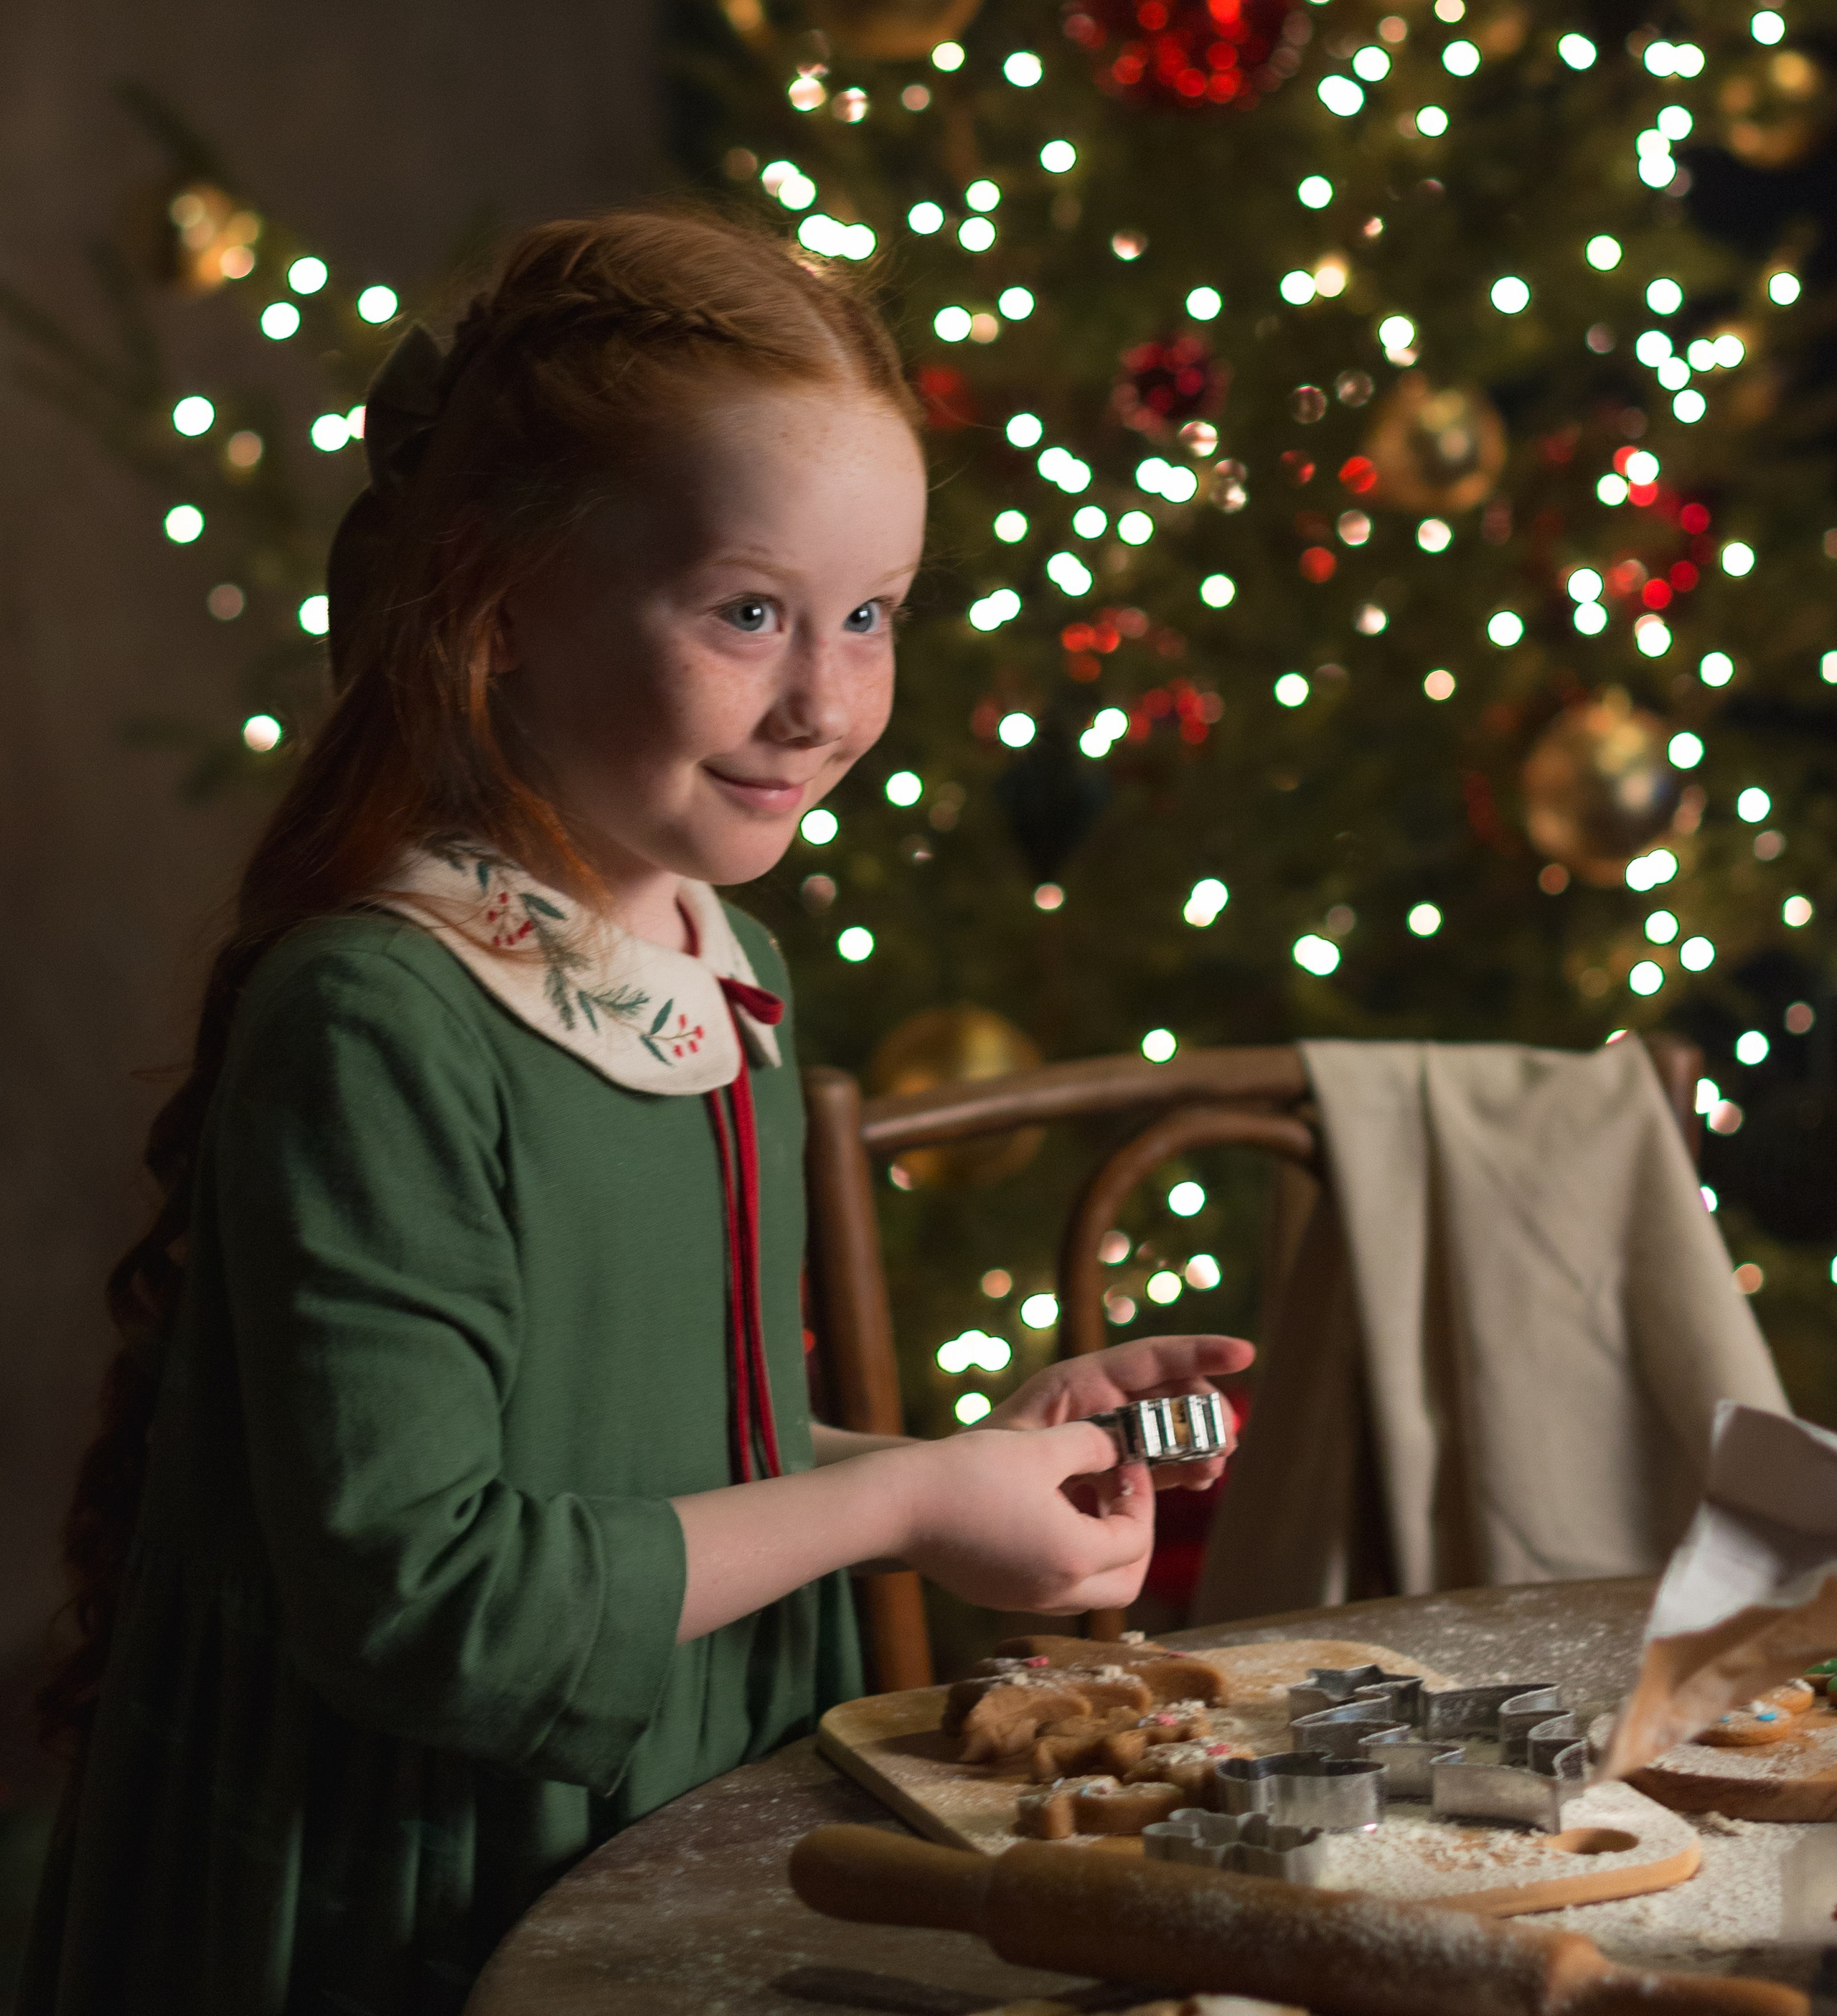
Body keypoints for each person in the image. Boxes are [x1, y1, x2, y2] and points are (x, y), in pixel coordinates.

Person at [23, 211, 1246, 2014]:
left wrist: (971, 1479)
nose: (822, 702)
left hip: (681, 1835)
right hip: (410, 1899)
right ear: (504, 612)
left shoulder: (714, 962)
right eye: (746, 612)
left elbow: (646, 1465)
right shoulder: (382, 1016)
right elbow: (431, 1601)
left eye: (868, 618)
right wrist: (901, 1499)